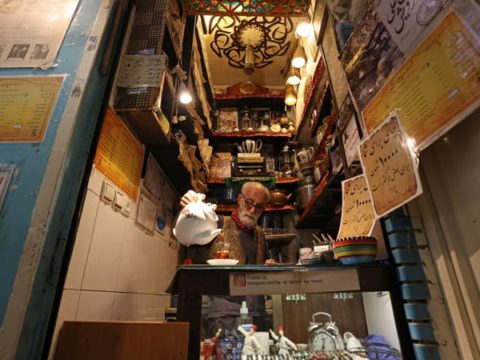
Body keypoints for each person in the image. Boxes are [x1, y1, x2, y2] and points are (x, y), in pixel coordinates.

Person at [178, 181, 275, 336]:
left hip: (256, 313)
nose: (252, 209)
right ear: (239, 199)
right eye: (249, 202)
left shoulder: (260, 234)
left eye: (259, 207)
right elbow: (187, 233)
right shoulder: (217, 223)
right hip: (223, 316)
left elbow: (255, 268)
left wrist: (266, 266)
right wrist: (189, 210)